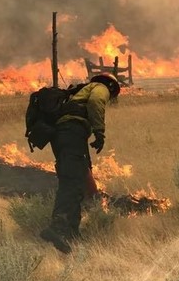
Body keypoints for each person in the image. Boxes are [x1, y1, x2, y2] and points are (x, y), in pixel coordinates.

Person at [39, 72, 121, 254]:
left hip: (66, 136)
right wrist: (100, 132)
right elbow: (95, 103)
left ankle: (72, 233)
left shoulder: (80, 92)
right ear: (111, 87)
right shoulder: (100, 88)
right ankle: (57, 227)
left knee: (78, 180)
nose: (110, 97)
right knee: (72, 182)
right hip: (72, 132)